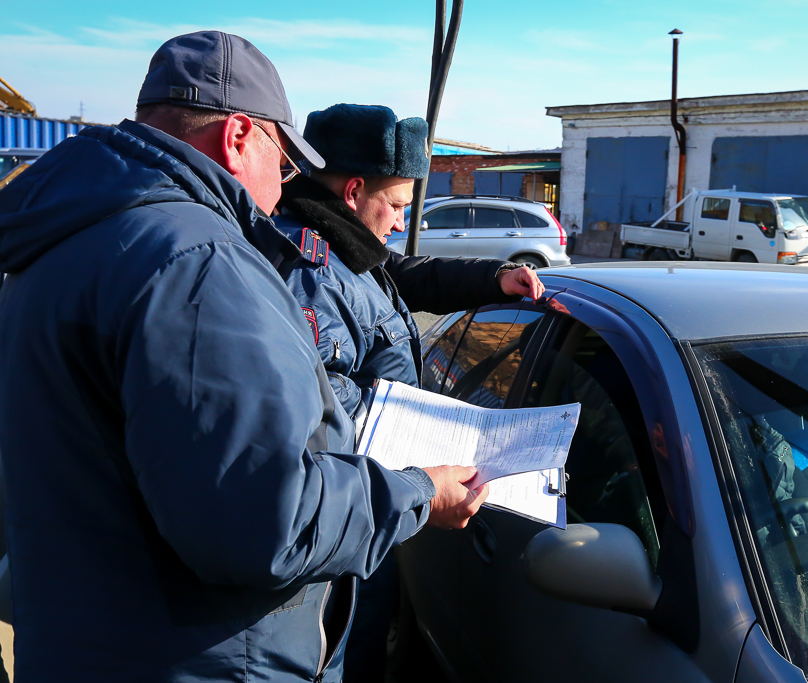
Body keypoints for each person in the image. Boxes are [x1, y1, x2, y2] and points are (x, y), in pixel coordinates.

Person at [0, 31, 486, 683]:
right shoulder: (198, 264)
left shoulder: (64, 242)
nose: (281, 190)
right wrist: (418, 492)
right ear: (237, 137)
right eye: (281, 162)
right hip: (199, 659)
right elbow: (262, 521)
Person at [273, 103, 544, 682]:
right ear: (352, 192)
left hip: (374, 504)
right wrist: (422, 473)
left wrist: (493, 279)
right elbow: (320, 412)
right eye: (396, 205)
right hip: (350, 518)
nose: (400, 220)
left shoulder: (342, 246)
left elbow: (400, 274)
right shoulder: (308, 273)